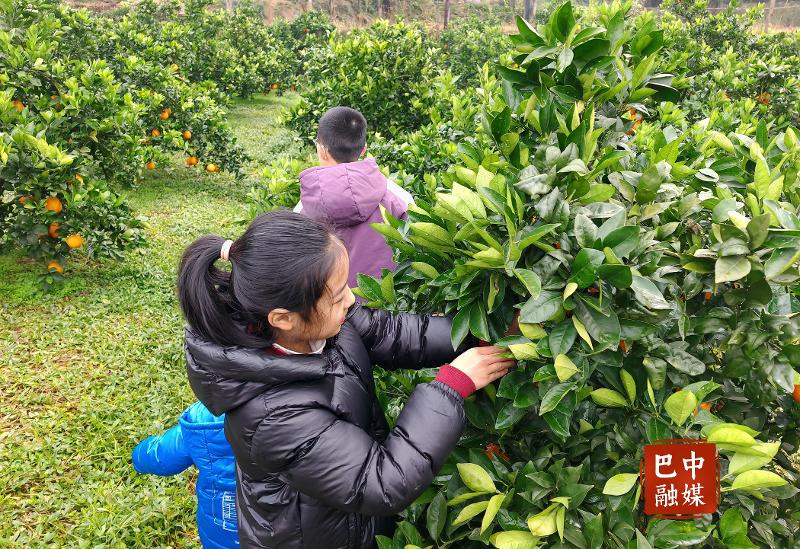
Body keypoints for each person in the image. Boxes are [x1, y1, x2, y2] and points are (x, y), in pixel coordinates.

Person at [178, 210, 513, 548]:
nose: (351, 300)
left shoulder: (318, 323)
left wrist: (475, 335)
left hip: (351, 522)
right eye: (338, 296)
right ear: (283, 318)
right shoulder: (272, 415)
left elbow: (390, 334)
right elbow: (383, 481)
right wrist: (451, 387)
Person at [294, 106, 414, 288]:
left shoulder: (304, 208)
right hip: (385, 310)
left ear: (322, 149)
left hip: (327, 312)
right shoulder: (399, 199)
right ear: (364, 149)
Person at [131, 402, 239, 548]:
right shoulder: (280, 418)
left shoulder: (207, 417)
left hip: (226, 529)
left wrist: (138, 457)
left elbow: (162, 455)